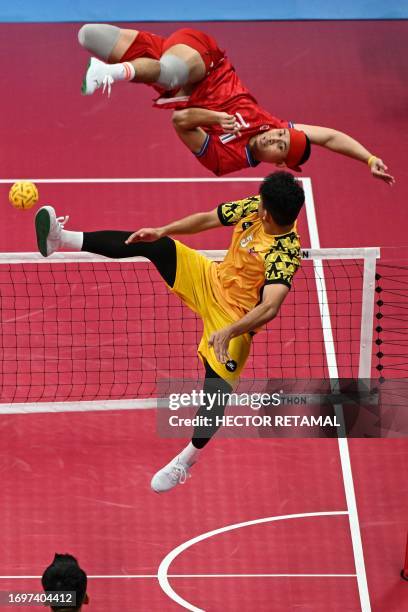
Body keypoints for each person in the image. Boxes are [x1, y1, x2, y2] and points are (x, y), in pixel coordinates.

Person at [35, 172, 303, 492]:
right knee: (157, 245)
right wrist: (163, 229)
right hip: (211, 279)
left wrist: (228, 332)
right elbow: (208, 218)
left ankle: (187, 458)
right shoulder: (253, 209)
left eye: (261, 204)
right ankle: (61, 239)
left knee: (215, 395)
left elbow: (270, 307)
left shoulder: (284, 253)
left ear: (267, 214)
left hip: (235, 321)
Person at [78, 25, 394, 182]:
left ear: (278, 163)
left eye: (279, 146)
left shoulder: (225, 160)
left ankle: (111, 70)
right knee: (170, 73)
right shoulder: (272, 125)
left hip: (176, 80)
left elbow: (180, 122)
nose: (275, 136)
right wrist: (369, 158)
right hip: (207, 60)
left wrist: (213, 117)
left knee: (88, 36)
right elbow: (330, 137)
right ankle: (109, 72)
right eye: (281, 134)